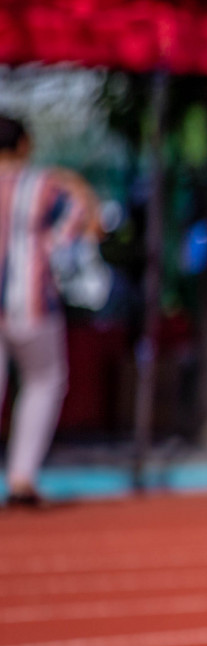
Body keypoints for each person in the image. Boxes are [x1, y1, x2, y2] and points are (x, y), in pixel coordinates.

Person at [0, 116, 97, 508]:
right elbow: (85, 218)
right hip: (32, 304)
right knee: (43, 381)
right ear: (24, 145)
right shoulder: (42, 184)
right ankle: (22, 476)